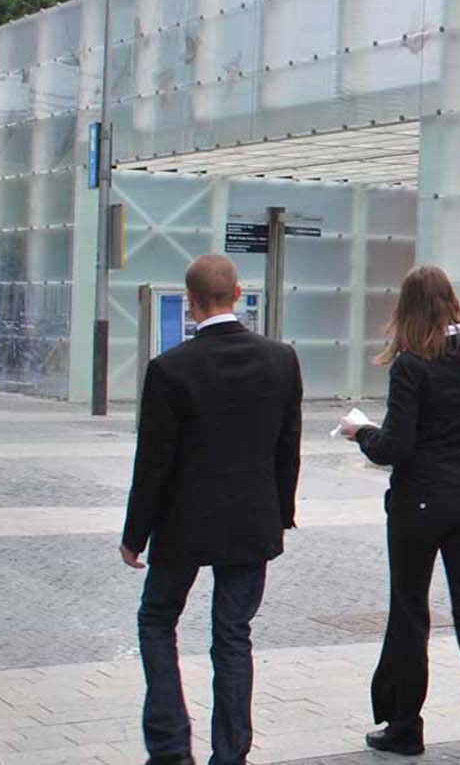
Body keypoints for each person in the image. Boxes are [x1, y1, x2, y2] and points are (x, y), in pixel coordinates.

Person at [340, 266, 460, 764]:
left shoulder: (412, 365)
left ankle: (405, 727)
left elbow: (396, 447)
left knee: (410, 611)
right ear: (451, 300)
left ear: (407, 310)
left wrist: (360, 431)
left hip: (420, 505)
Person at [121, 253, 304, 765]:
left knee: (157, 620)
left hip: (184, 525)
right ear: (239, 294)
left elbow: (153, 463)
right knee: (232, 636)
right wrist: (281, 512)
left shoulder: (169, 370)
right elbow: (288, 446)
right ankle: (231, 754)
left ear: (191, 303)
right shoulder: (281, 359)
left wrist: (135, 535)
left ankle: (170, 745)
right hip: (251, 521)